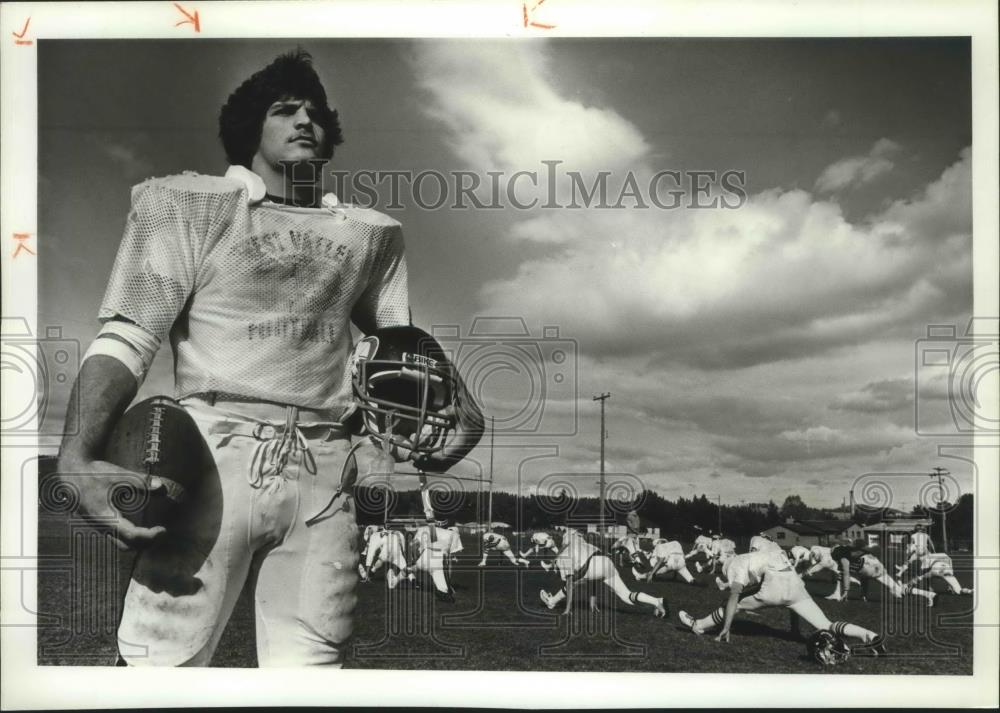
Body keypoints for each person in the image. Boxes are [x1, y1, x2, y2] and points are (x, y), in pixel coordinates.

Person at [55, 50, 482, 667]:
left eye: (314, 111)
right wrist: (76, 454)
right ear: (251, 127)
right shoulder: (193, 203)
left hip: (326, 468)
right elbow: (130, 335)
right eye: (285, 109)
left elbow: (402, 353)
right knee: (160, 665)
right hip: (211, 453)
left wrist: (457, 413)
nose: (306, 119)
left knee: (313, 669)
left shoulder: (368, 232)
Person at [678, 549, 884, 654]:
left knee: (732, 604)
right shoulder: (758, 555)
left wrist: (727, 627)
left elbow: (734, 596)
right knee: (826, 625)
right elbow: (770, 580)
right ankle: (869, 636)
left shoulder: (735, 565)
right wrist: (794, 629)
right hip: (794, 584)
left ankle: (700, 626)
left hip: (774, 586)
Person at [540, 528, 667, 618]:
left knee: (571, 582)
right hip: (606, 562)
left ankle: (552, 602)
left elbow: (570, 583)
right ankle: (656, 601)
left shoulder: (565, 554)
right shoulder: (586, 544)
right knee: (626, 596)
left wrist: (567, 610)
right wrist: (592, 602)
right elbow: (593, 574)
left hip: (593, 567)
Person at [826, 543, 935, 605]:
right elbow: (863, 575)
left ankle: (841, 594)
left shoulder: (842, 555)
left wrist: (846, 591)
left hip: (868, 567)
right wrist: (863, 595)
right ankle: (929, 594)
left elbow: (846, 573)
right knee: (896, 589)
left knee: (897, 592)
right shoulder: (853, 549)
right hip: (875, 563)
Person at [902, 552, 973, 596]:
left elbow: (922, 573)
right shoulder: (942, 554)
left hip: (935, 569)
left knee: (922, 576)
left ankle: (907, 585)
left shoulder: (925, 559)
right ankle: (970, 591)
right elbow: (950, 561)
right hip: (946, 568)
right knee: (959, 591)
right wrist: (950, 583)